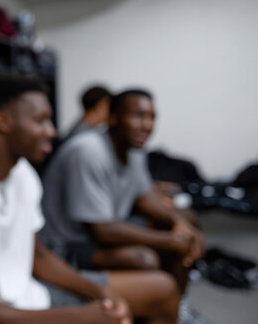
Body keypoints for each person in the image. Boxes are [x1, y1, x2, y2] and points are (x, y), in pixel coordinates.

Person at [0, 78, 180, 324]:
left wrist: (100, 293)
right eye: (41, 121)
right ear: (3, 120)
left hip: (31, 293)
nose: (52, 132)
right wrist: (80, 318)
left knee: (164, 290)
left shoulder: (23, 174)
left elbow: (39, 256)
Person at [40, 89, 204, 295]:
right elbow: (102, 230)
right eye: (138, 116)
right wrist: (168, 240)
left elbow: (144, 197)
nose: (147, 125)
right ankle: (151, 306)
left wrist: (177, 223)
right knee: (144, 258)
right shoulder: (88, 151)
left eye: (152, 117)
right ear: (113, 118)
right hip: (67, 246)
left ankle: (177, 308)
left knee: (187, 219)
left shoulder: (134, 149)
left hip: (106, 226)